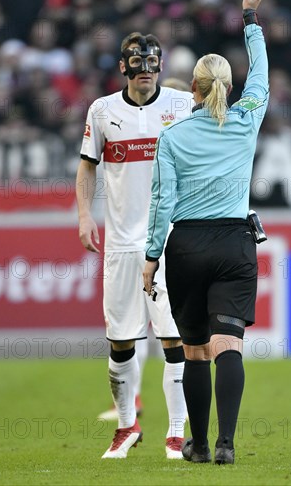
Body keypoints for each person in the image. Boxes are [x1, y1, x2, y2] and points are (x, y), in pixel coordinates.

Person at [143, 0, 268, 465]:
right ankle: (226, 445)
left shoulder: (171, 137)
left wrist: (152, 257)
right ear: (228, 88)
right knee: (229, 345)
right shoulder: (246, 119)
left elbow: (162, 201)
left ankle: (195, 443)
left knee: (194, 349)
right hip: (236, 243)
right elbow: (263, 77)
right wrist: (250, 20)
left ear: (190, 89)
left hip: (188, 245)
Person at [76, 33, 193, 459]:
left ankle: (176, 434)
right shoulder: (103, 110)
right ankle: (127, 427)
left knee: (173, 338)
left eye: (153, 64)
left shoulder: (180, 106)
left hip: (170, 241)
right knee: (121, 341)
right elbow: (87, 167)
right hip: (122, 245)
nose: (146, 71)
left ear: (161, 67)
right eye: (138, 64)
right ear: (123, 68)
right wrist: (85, 216)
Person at [96, 77, 191, 424]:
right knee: (130, 335)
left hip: (169, 240)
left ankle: (176, 426)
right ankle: (132, 405)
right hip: (129, 241)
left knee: (170, 336)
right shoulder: (109, 114)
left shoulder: (184, 131)